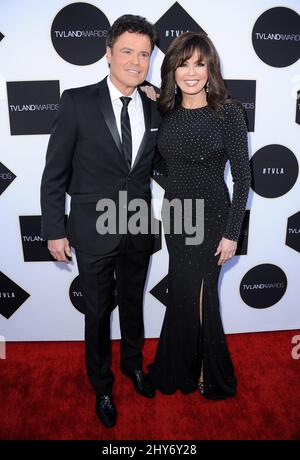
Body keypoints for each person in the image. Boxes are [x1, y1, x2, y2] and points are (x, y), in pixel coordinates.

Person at [40, 15, 164, 428]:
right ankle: (103, 385)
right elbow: (54, 172)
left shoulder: (155, 106)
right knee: (97, 312)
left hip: (139, 224)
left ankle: (133, 365)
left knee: (132, 303)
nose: (135, 61)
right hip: (92, 229)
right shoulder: (77, 101)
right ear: (108, 54)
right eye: (127, 51)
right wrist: (54, 229)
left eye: (144, 53)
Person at [147, 32, 252, 400]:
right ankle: (178, 369)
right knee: (181, 294)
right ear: (172, 69)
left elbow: (243, 177)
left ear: (211, 68)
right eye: (183, 63)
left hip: (213, 218)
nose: (191, 72)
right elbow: (158, 163)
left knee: (203, 295)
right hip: (176, 216)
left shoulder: (228, 112)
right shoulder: (165, 111)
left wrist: (232, 232)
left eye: (200, 63)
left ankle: (212, 376)